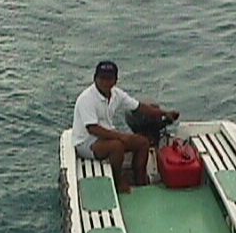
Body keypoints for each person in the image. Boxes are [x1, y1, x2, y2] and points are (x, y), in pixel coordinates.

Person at [72, 61, 179, 193]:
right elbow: (92, 129)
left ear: (115, 80)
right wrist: (120, 136)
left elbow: (139, 107)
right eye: (102, 78)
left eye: (109, 78)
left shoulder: (117, 94)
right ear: (95, 78)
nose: (105, 82)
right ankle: (118, 181)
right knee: (117, 146)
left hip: (108, 136)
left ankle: (140, 179)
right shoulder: (86, 99)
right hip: (86, 142)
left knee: (142, 142)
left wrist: (164, 113)